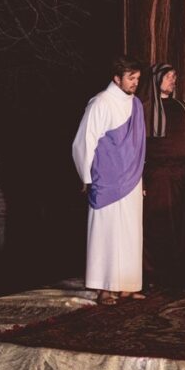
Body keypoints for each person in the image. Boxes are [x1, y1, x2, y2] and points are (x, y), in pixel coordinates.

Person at [72, 55, 147, 305]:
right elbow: (84, 141)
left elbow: (138, 146)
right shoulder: (101, 103)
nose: (135, 82)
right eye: (131, 78)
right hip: (107, 179)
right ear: (116, 78)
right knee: (106, 234)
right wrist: (86, 176)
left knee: (130, 233)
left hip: (132, 178)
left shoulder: (136, 105)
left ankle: (127, 286)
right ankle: (103, 289)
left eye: (137, 78)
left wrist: (141, 177)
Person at [138, 62, 185, 287]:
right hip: (158, 177)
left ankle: (179, 274)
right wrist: (141, 179)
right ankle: (156, 275)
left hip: (183, 175)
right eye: (168, 77)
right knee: (159, 225)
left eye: (174, 76)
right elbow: (137, 148)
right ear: (157, 80)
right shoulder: (144, 109)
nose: (173, 80)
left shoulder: (182, 106)